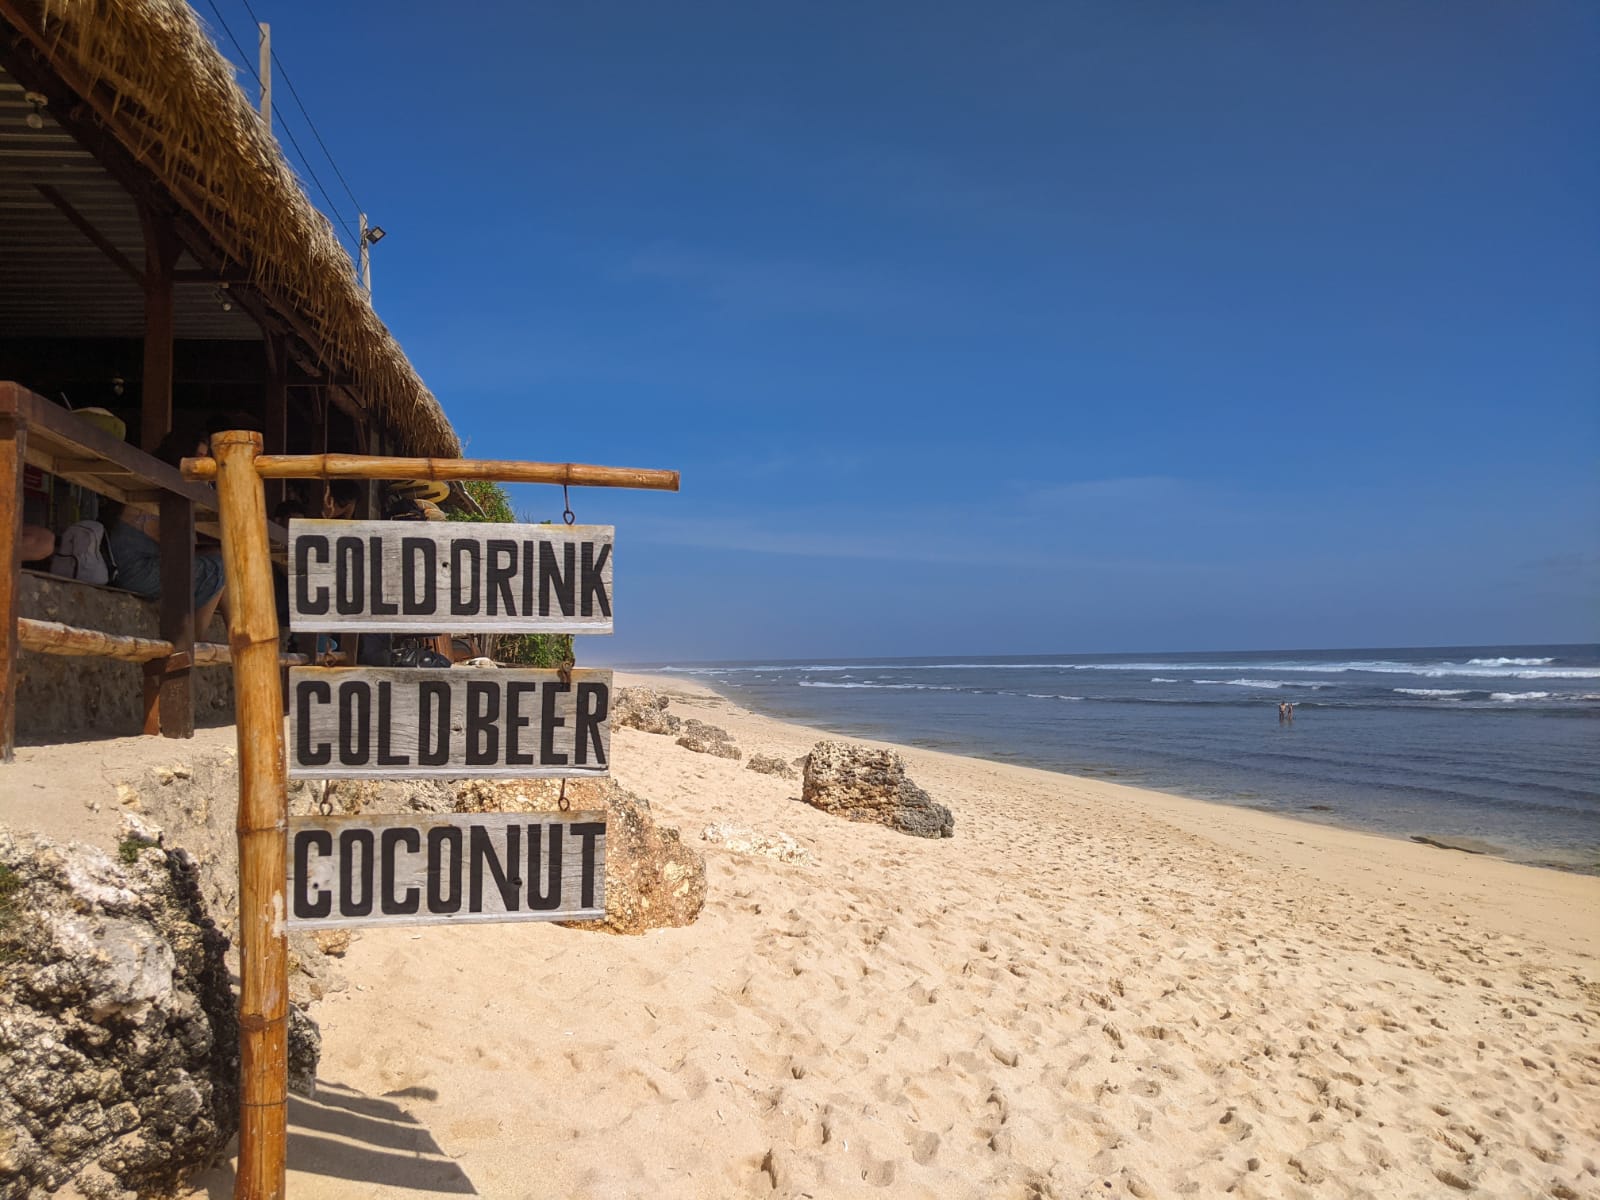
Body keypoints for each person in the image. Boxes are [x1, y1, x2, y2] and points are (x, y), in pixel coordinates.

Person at [104, 427, 227, 633]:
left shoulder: (167, 484)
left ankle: (227, 637)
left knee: (222, 560)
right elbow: (182, 546)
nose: (204, 463)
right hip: (133, 571)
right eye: (199, 456)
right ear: (182, 455)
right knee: (221, 567)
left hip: (146, 564)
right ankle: (196, 638)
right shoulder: (159, 484)